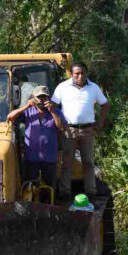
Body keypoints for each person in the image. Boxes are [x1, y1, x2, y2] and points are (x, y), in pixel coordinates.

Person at [51, 62, 110, 200]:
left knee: (89, 163)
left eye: (82, 73)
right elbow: (53, 105)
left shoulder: (93, 88)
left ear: (86, 73)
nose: (80, 76)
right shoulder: (63, 87)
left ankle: (91, 192)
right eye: (77, 73)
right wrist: (59, 124)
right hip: (69, 130)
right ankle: (65, 193)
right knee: (67, 164)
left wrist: (100, 122)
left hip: (87, 130)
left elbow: (105, 104)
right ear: (71, 74)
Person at [7, 85, 66, 189]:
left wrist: (52, 111)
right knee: (30, 187)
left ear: (49, 98)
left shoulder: (55, 111)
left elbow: (61, 127)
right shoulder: (28, 112)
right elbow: (10, 118)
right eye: (39, 97)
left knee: (49, 187)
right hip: (31, 157)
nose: (42, 100)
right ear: (33, 98)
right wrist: (26, 106)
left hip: (49, 157)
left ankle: (48, 204)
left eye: (45, 97)